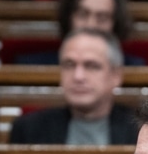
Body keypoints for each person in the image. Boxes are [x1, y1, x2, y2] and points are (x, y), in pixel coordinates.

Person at [9, 29, 140, 146]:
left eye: (91, 66)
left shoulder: (140, 130)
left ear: (115, 75)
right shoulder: (28, 129)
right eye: (69, 65)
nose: (78, 76)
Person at [16, 0, 146, 66]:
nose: (91, 25)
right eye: (83, 15)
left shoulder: (133, 68)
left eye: (102, 18)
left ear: (115, 24)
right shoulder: (31, 66)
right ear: (68, 17)